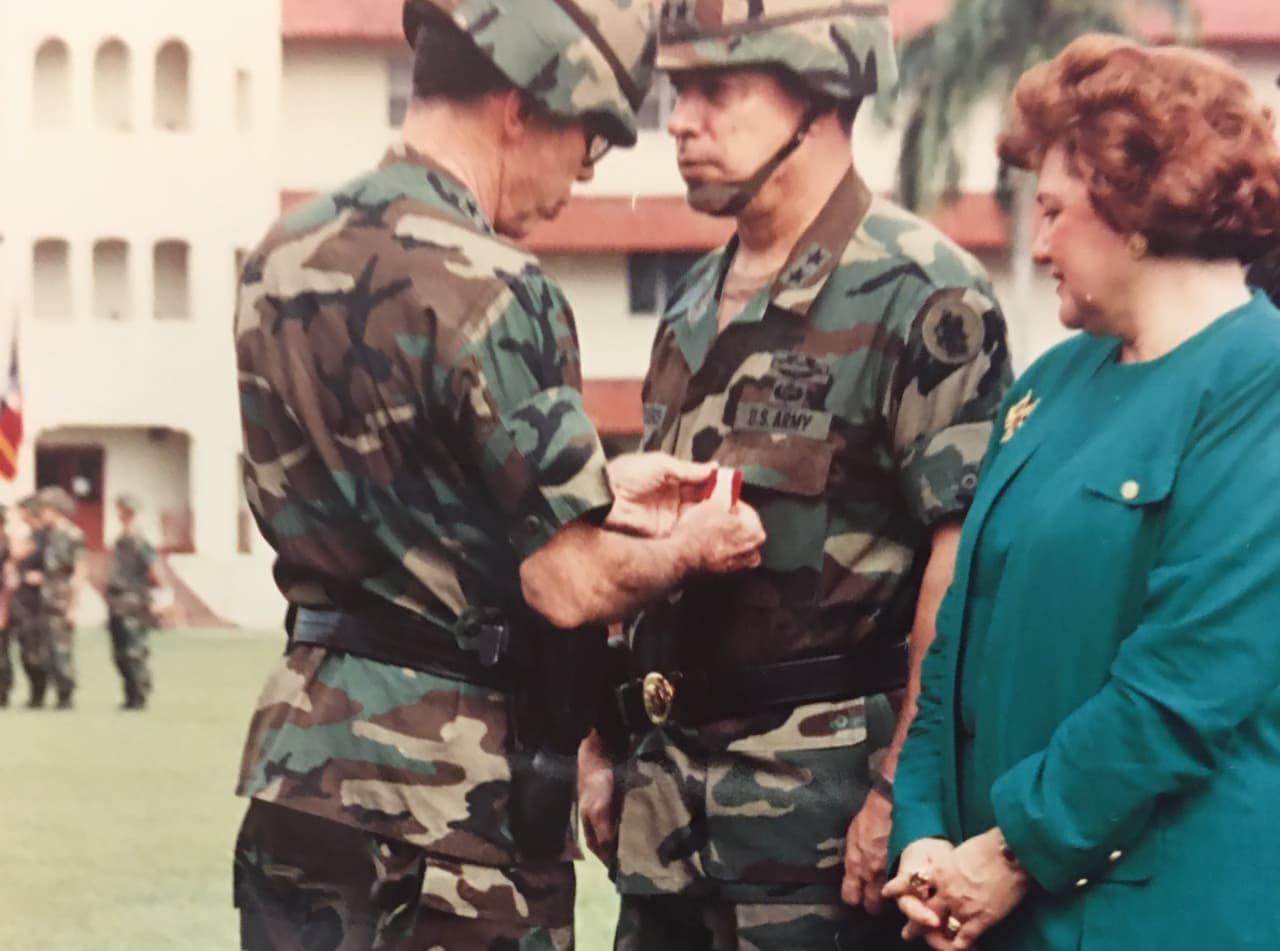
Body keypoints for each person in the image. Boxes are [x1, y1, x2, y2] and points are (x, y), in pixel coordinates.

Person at [231, 1, 767, 948]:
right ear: (522, 104)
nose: (575, 183)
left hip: (299, 774)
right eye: (585, 143)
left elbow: (399, 487)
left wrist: (597, 480)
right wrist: (693, 546)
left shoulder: (279, 257)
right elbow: (568, 583)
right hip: (449, 810)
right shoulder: (498, 283)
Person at [577, 3, 1012, 948]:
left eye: (717, 89)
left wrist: (902, 787)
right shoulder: (691, 302)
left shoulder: (922, 293)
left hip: (816, 834)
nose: (681, 120)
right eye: (676, 90)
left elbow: (962, 560)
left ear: (824, 99)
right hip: (667, 821)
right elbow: (650, 547)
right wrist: (601, 739)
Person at [885, 34, 1280, 951]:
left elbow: (1183, 686)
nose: (1040, 240)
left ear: (1136, 211)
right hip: (996, 905)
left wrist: (1011, 850)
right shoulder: (1048, 386)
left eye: (1057, 210)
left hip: (1163, 918)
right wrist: (927, 840)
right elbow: (955, 652)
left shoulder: (1258, 383)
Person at [106, 493, 159, 710]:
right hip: (119, 602)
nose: (118, 513)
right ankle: (130, 695)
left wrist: (140, 591)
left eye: (121, 509)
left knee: (134, 651)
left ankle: (139, 695)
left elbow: (154, 572)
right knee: (120, 653)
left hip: (133, 602)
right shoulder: (121, 539)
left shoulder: (139, 539)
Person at [36, 486, 85, 711]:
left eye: (43, 510)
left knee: (61, 651)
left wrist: (73, 608)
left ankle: (66, 696)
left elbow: (80, 572)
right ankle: (57, 693)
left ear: (55, 510)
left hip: (61, 602)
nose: (40, 514)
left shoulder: (72, 535)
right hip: (46, 601)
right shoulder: (48, 536)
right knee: (46, 652)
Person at [8, 496, 50, 708]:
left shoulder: (42, 537)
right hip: (22, 599)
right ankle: (35, 695)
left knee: (34, 650)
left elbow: (17, 554)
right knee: (27, 650)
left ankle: (39, 694)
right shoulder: (33, 536)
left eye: (21, 511)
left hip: (36, 601)